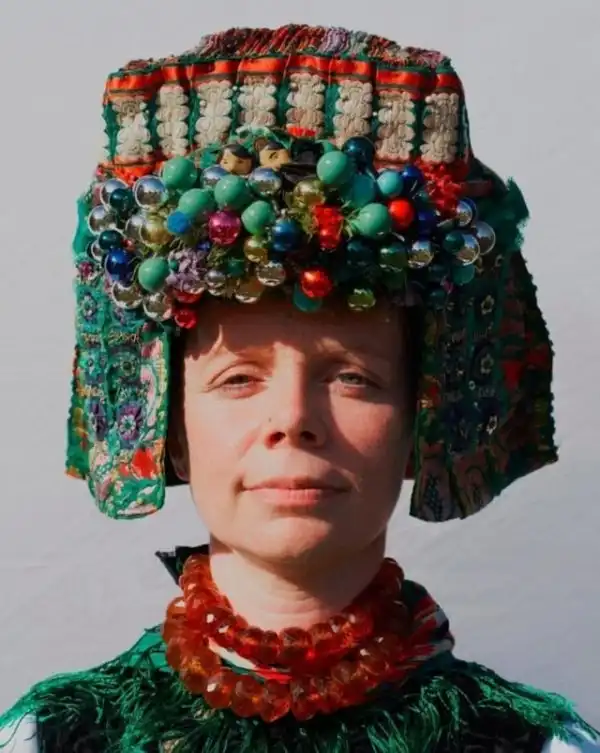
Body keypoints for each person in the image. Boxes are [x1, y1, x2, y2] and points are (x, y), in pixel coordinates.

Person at [1, 23, 598, 753]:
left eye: (352, 377)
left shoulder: (533, 743)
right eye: (238, 379)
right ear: (171, 430)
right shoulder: (54, 737)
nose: (292, 418)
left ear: (421, 419)